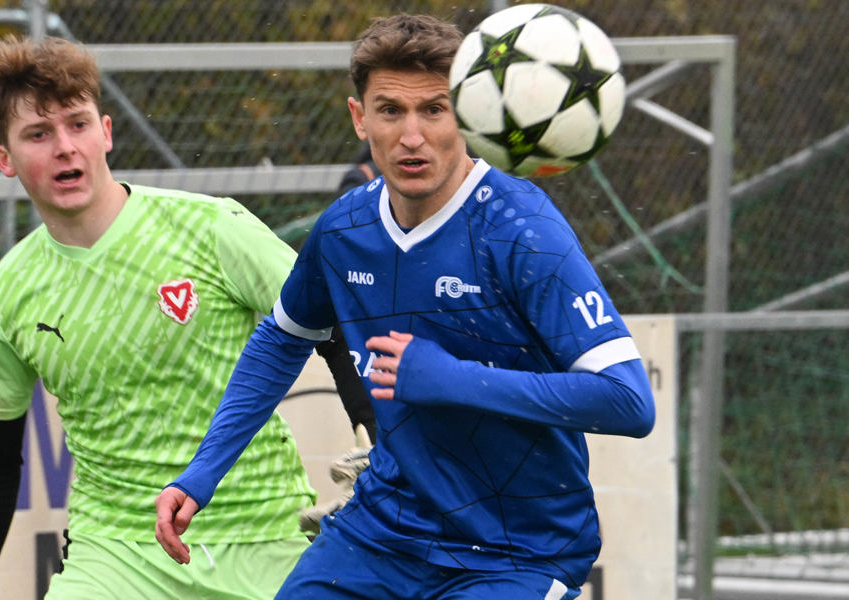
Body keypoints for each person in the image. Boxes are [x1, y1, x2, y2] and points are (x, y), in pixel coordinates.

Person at [155, 13, 655, 600]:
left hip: (515, 551)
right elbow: (283, 337)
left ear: (465, 115)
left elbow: (628, 402)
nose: (411, 135)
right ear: (359, 118)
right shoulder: (345, 228)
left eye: (434, 110)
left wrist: (450, 377)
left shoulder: (524, 230)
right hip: (382, 534)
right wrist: (203, 472)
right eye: (390, 110)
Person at [0, 34, 370, 600]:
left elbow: (335, 323)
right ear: (4, 159)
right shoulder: (7, 295)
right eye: (38, 134)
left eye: (77, 124)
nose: (64, 147)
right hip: (117, 554)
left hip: (265, 538)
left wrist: (378, 437)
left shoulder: (212, 228)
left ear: (106, 131)